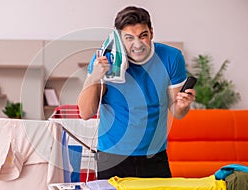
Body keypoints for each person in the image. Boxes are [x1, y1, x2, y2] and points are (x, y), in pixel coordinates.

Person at [77, 6, 196, 179]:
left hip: (154, 156)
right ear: (118, 38)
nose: (138, 44)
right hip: (111, 156)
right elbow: (86, 113)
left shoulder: (172, 57)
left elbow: (178, 112)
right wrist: (95, 76)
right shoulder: (104, 59)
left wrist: (184, 105)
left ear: (152, 33)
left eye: (143, 36)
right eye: (129, 38)